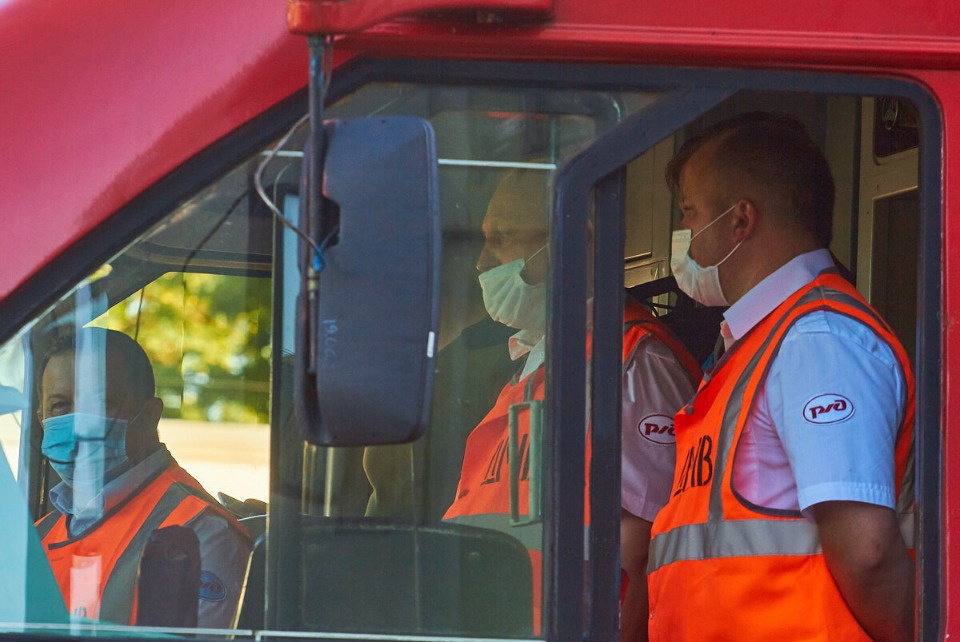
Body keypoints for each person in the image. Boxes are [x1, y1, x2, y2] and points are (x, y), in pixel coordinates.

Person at [647, 112, 915, 641]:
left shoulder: (816, 340)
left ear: (740, 220)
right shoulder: (764, 340)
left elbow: (868, 554)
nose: (684, 235)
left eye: (689, 212)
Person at [442, 169, 702, 641]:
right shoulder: (540, 360)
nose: (482, 260)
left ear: (576, 237)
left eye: (502, 237)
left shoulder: (632, 364)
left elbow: (644, 557)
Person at [33, 328, 252, 628]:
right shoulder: (39, 535)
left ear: (149, 416)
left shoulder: (199, 532)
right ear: (42, 419)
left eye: (100, 404)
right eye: (60, 406)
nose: (78, 423)